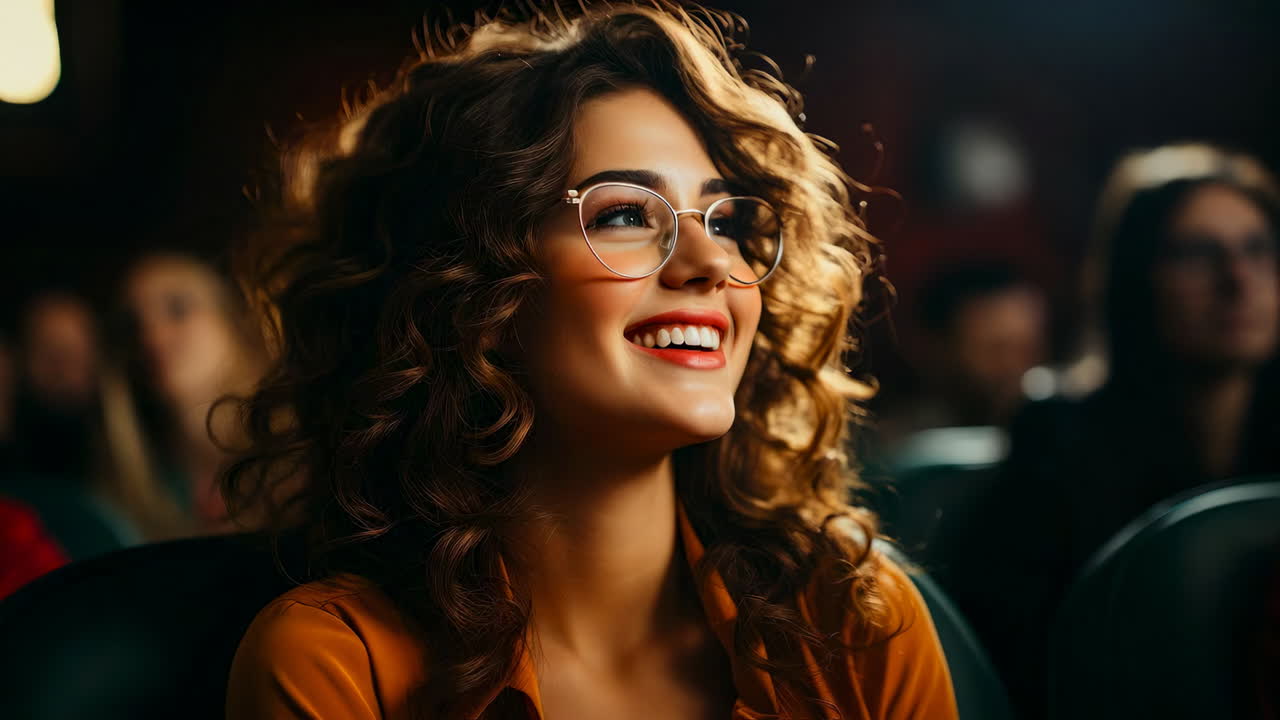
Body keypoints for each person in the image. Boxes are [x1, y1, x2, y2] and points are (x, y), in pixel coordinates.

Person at [223, 3, 958, 719]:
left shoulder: (858, 626)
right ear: (469, 289)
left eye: (726, 220)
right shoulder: (334, 665)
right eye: (626, 215)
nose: (711, 262)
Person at [935, 142, 1280, 717]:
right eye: (1198, 252)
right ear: (1135, 275)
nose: (1238, 278)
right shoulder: (1058, 435)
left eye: (1258, 248)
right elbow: (1018, 662)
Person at [98, 251, 266, 538]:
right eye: (132, 324)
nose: (151, 335)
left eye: (177, 308)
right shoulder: (128, 487)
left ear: (230, 321)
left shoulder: (300, 453)